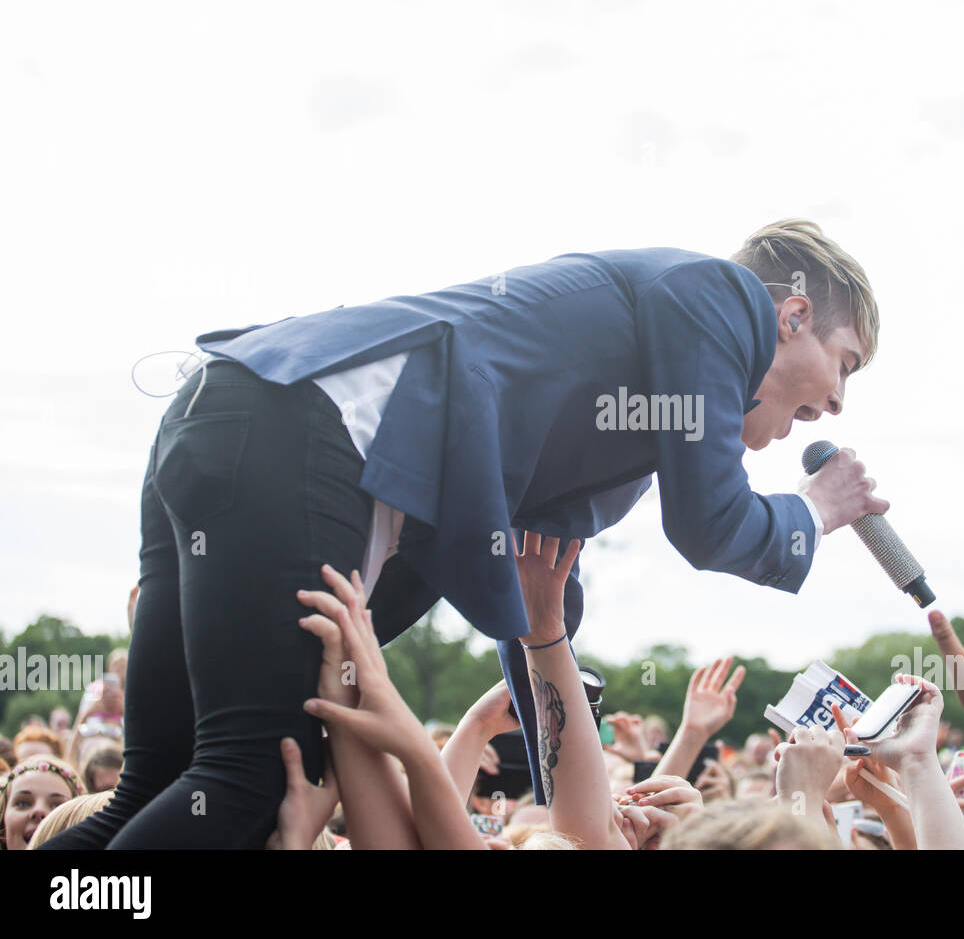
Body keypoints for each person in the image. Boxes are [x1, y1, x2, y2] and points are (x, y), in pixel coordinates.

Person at [42, 220, 883, 849]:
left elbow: (531, 613)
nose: (838, 404)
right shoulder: (717, 297)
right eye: (845, 363)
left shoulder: (625, 429)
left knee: (156, 783)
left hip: (236, 419)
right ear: (792, 314)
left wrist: (566, 786)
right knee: (252, 775)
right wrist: (815, 508)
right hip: (298, 429)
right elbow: (712, 522)